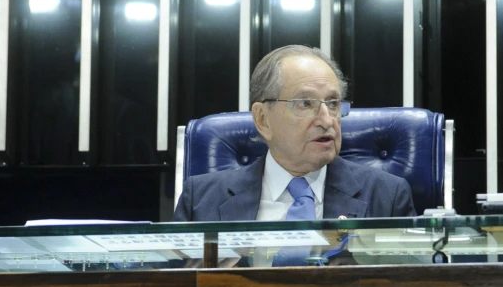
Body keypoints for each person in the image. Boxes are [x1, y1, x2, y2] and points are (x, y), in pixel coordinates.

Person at [173, 44, 416, 221]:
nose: (326, 120)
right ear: (263, 119)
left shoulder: (387, 196)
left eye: (333, 104)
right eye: (305, 104)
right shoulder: (201, 199)